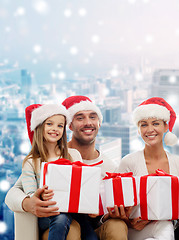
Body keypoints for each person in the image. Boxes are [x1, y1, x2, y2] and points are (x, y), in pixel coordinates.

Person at [6, 95, 127, 240]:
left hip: (89, 224)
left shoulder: (110, 167)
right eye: (80, 118)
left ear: (99, 122)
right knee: (72, 228)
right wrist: (28, 203)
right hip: (57, 223)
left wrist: (105, 215)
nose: (88, 123)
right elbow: (14, 192)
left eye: (93, 117)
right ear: (70, 125)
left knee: (117, 225)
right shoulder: (42, 160)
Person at [117, 97, 179, 240]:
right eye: (144, 125)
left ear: (165, 127)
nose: (150, 130)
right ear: (138, 130)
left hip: (170, 229)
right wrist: (130, 223)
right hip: (136, 230)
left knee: (165, 226)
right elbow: (119, 205)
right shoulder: (128, 162)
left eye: (155, 123)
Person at [21, 103, 92, 240]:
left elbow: (83, 185)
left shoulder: (73, 155)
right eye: (49, 124)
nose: (55, 129)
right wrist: (41, 195)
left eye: (60, 126)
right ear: (40, 126)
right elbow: (31, 196)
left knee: (89, 234)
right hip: (48, 213)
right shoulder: (31, 161)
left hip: (74, 210)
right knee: (61, 218)